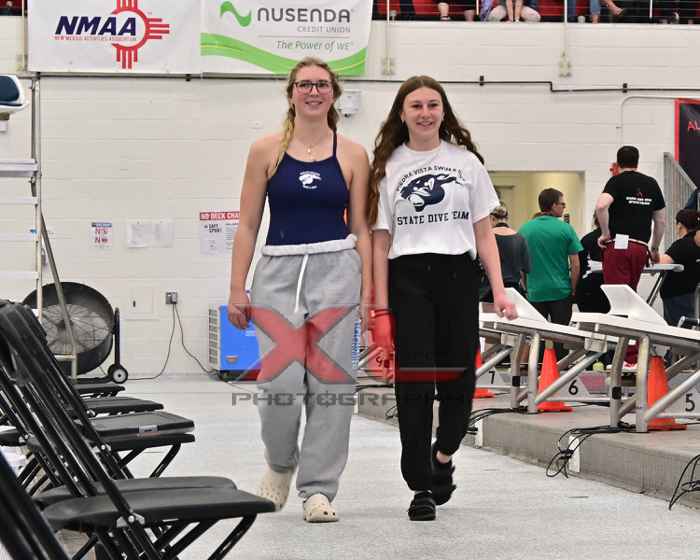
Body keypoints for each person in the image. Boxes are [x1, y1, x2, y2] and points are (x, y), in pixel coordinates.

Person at [227, 57, 371, 523]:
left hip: (337, 269)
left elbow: (362, 228)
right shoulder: (265, 150)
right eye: (304, 84)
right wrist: (237, 288)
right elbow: (248, 224)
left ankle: (318, 489)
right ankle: (279, 463)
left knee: (331, 384)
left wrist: (369, 294)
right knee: (280, 383)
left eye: (322, 84)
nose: (313, 91)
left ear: (334, 93)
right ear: (291, 93)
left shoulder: (352, 154)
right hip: (278, 272)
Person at [369, 75, 517, 522]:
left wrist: (500, 288)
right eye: (416, 105)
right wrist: (380, 307)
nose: (425, 113)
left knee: (459, 379)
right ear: (402, 113)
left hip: (457, 276)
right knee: (414, 385)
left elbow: (483, 233)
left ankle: (444, 453)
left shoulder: (466, 163)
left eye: (433, 105)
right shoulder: (387, 167)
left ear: (443, 111)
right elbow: (380, 241)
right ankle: (420, 485)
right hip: (408, 278)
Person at [595, 145, 665, 362]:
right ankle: (631, 354)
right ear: (637, 161)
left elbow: (601, 206)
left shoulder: (616, 182)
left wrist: (605, 233)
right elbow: (661, 221)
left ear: (618, 163)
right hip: (640, 247)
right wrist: (654, 249)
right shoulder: (651, 184)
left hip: (619, 246)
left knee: (620, 301)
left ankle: (627, 357)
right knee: (630, 299)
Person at [518, 188, 582, 359]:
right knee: (561, 336)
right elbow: (575, 264)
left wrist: (526, 287)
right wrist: (573, 288)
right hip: (561, 291)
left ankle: (539, 370)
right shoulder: (566, 229)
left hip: (535, 291)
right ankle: (560, 370)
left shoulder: (524, 229)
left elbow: (521, 265)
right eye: (562, 204)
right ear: (553, 205)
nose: (564, 207)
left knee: (537, 337)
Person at [659, 209, 700, 327]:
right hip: (690, 292)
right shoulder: (695, 244)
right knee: (688, 325)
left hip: (676, 294)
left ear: (680, 225)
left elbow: (662, 262)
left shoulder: (682, 244)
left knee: (678, 328)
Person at [482, 204, 530, 300]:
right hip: (514, 291)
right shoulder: (520, 238)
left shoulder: (486, 238)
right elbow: (527, 268)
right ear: (507, 218)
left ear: (492, 218)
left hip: (490, 291)